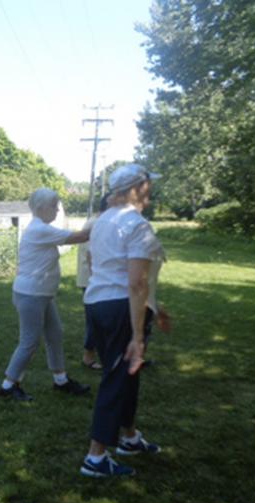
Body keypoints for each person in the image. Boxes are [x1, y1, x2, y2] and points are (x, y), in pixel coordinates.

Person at [79, 164, 168, 478]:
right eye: (148, 183)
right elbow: (136, 284)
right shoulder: (136, 224)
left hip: (96, 303)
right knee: (116, 379)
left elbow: (94, 262)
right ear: (137, 187)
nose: (151, 189)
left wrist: (154, 310)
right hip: (119, 306)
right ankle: (96, 458)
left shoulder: (103, 220)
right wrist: (137, 336)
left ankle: (128, 437)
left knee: (126, 373)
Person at [0, 188, 91, 401]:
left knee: (55, 334)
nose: (58, 209)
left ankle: (61, 380)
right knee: (29, 342)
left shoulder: (41, 228)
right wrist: (102, 221)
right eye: (54, 205)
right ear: (40, 208)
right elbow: (81, 236)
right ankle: (8, 386)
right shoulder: (39, 229)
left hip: (42, 294)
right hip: (31, 294)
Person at [75, 194, 110, 371]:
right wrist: (99, 281)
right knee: (95, 320)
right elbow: (91, 256)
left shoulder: (97, 220)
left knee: (98, 319)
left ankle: (101, 354)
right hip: (92, 280)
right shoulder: (98, 223)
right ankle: (88, 357)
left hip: (93, 279)